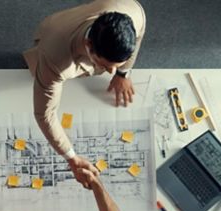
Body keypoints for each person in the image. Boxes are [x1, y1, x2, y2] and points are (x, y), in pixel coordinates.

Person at [23, 0, 146, 187]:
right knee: (37, 72)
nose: (110, 73)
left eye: (116, 66)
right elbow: (44, 113)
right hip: (57, 37)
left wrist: (123, 73)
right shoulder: (55, 57)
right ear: (89, 44)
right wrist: (71, 157)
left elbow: (137, 40)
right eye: (105, 66)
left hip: (84, 37)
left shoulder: (133, 12)